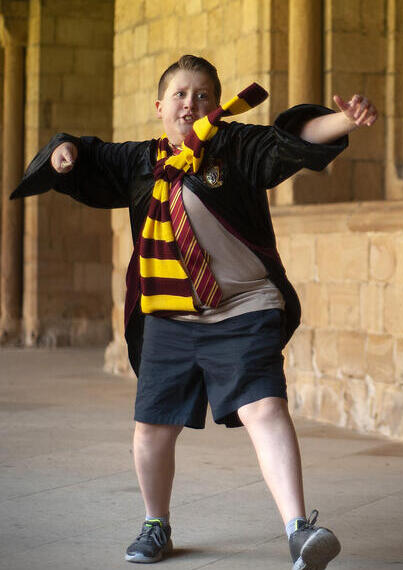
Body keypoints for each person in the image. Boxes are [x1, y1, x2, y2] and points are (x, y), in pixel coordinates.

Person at [10, 55, 377, 570]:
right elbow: (87, 156)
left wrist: (345, 120)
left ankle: (299, 529)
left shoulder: (236, 146)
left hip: (245, 309)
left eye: (203, 95)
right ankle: (155, 525)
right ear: (160, 107)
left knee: (265, 409)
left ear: (217, 106)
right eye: (180, 95)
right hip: (170, 317)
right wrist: (63, 154)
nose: (191, 103)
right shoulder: (141, 161)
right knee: (152, 428)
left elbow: (289, 140)